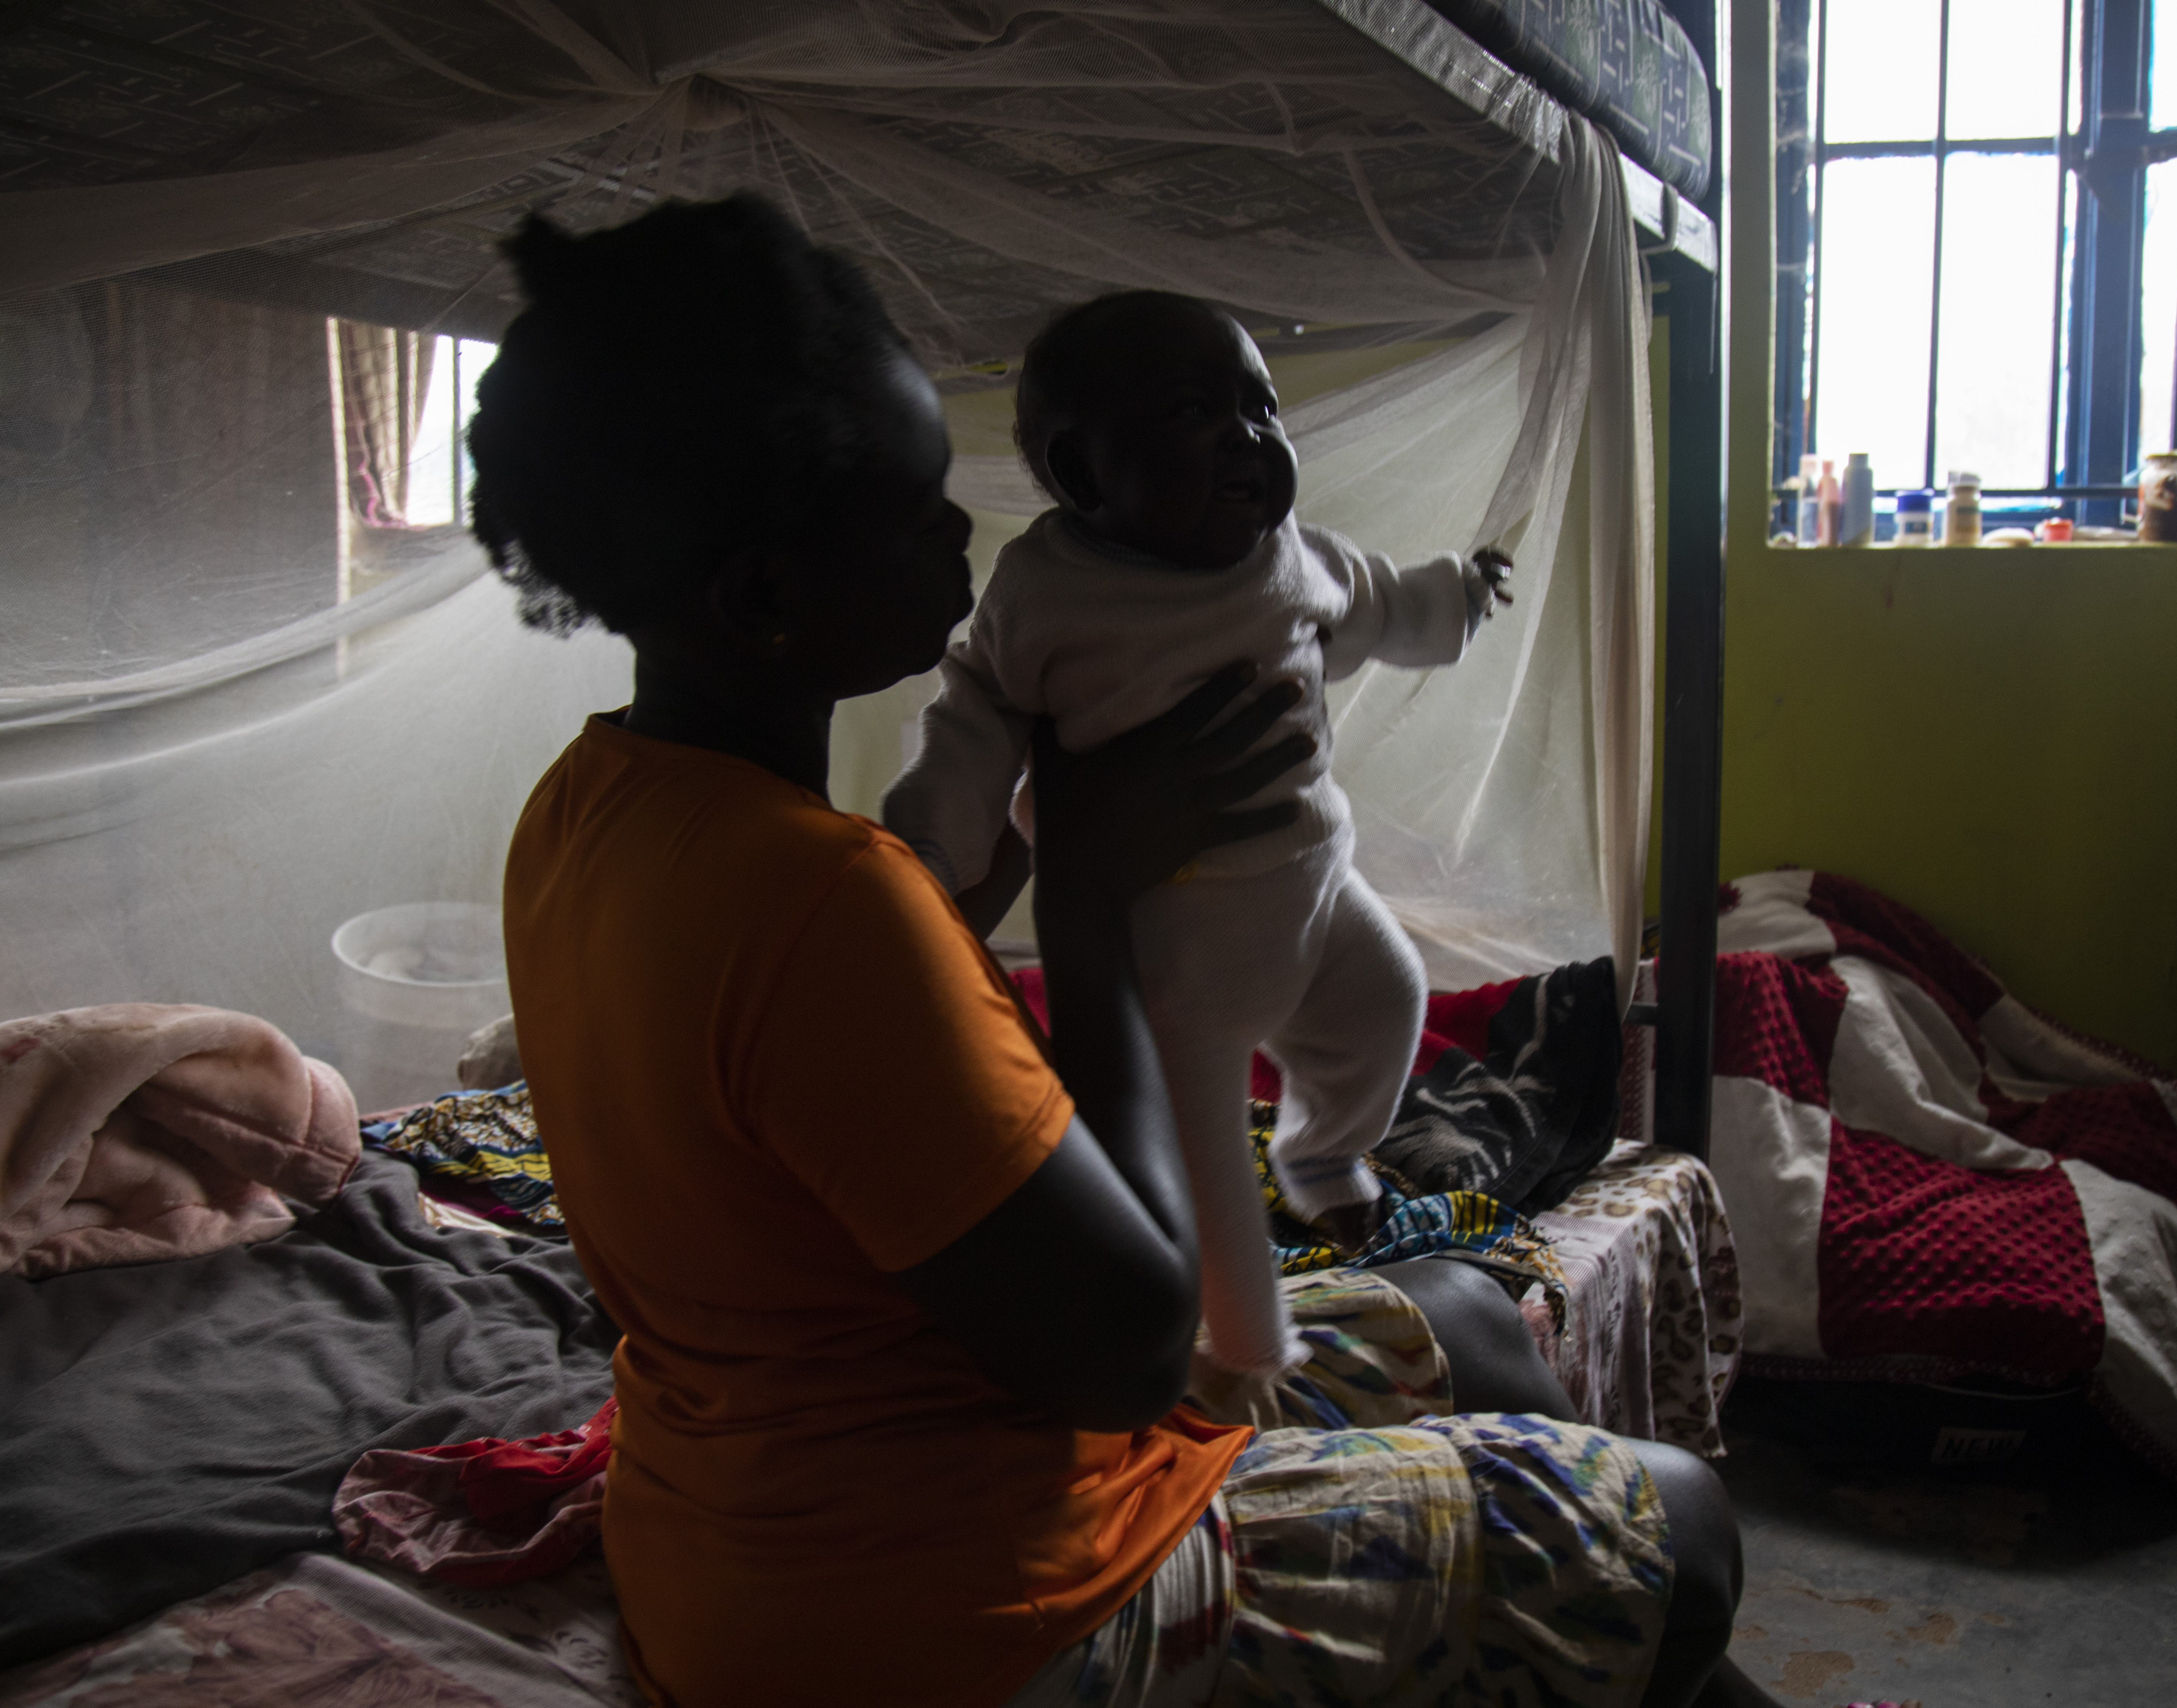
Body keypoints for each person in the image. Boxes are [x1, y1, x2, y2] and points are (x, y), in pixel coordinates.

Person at [475, 194, 1783, 1708]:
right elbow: (1137, 1344)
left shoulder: (588, 812)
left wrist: (965, 905)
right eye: (914, 508)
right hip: (954, 1616)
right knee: (1678, 1528)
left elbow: (786, 1066)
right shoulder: (829, 899)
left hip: (734, 1539)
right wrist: (1088, 910)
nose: (964, 528)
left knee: (1471, 1313)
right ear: (765, 595)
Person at [881, 291, 1514, 1377]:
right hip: (1183, 941)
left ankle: (1322, 1155)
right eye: (1191, 416)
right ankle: (1247, 1356)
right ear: (1083, 477)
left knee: (1390, 998)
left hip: (1321, 884)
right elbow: (975, 719)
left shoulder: (1294, 555)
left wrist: (1453, 596)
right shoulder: (1045, 593)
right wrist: (938, 848)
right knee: (1210, 1158)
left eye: (1261, 410)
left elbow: (1375, 605)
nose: (1249, 441)